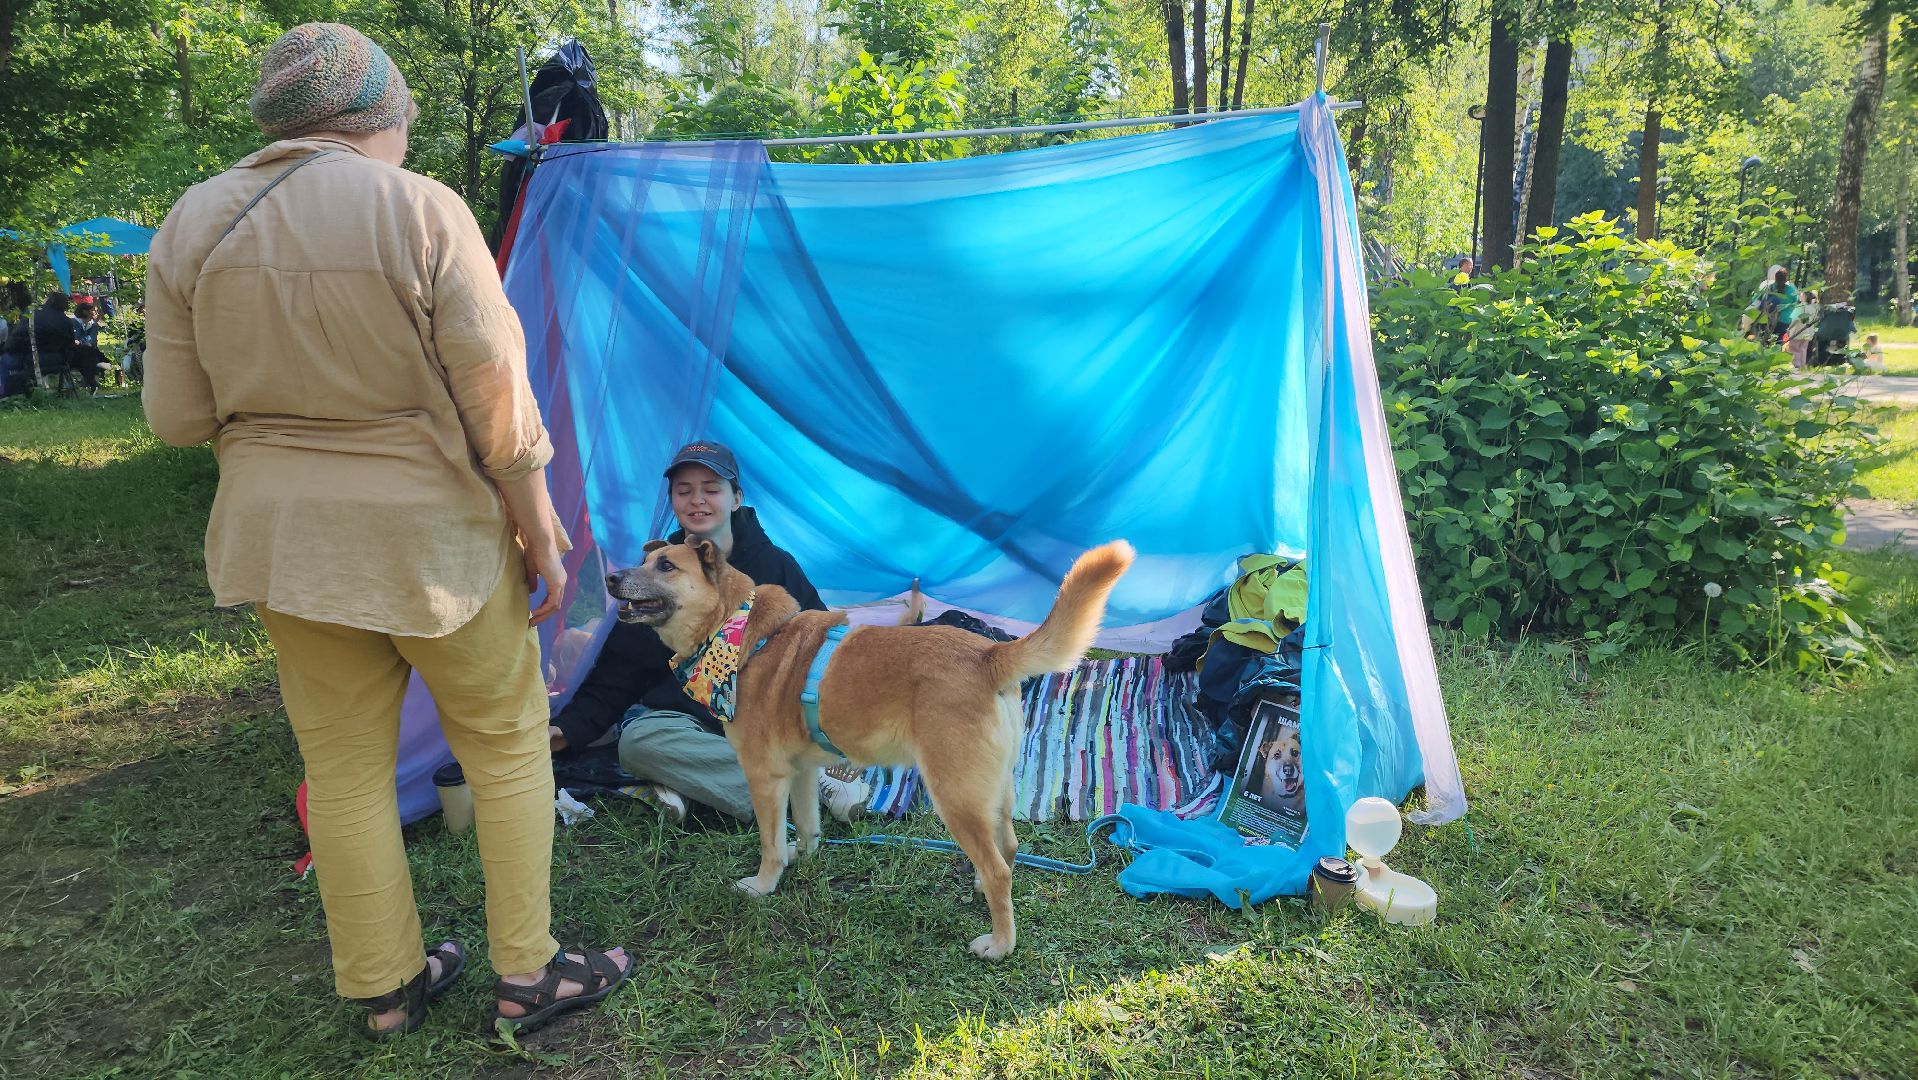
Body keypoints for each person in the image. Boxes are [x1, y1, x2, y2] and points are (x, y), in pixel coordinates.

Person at [142, 22, 631, 1040]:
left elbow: (176, 420)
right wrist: (542, 536)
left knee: (348, 768)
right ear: (379, 118)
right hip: (433, 543)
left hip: (283, 546)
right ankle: (528, 973)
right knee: (502, 749)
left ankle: (384, 989)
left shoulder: (189, 222)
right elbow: (502, 408)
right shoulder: (419, 208)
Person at [548, 440, 873, 824]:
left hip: (768, 721)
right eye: (684, 491)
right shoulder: (657, 569)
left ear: (736, 498)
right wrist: (565, 730)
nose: (697, 500)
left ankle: (697, 788)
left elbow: (824, 650)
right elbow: (618, 673)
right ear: (672, 501)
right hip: (688, 723)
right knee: (637, 742)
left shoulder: (774, 565)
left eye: (711, 489)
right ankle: (796, 787)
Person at [33, 290, 93, 391]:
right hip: (60, 359)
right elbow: (70, 343)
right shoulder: (66, 321)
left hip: (33, 356)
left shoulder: (34, 317)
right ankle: (89, 382)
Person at [1750, 268, 1799, 345]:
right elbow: (1796, 303)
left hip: (1767, 318)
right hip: (1785, 320)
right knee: (1779, 342)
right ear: (1786, 279)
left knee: (1764, 341)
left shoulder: (1769, 287)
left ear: (1775, 278)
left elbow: (1755, 299)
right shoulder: (1791, 290)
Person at [1783, 289, 1820, 369]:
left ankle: (1797, 364)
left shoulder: (1800, 306)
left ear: (1804, 297)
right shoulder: (1814, 308)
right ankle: (1803, 365)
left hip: (1798, 331)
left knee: (1794, 348)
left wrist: (1789, 328)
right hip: (1808, 332)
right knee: (1803, 348)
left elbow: (1795, 319)